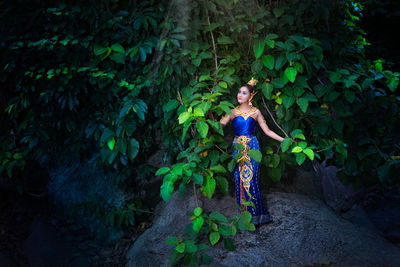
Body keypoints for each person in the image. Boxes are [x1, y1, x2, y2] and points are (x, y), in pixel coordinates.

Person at [219, 77, 285, 225]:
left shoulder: (256, 112)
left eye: (244, 93)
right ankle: (245, 216)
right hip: (238, 147)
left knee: (252, 179)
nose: (240, 95)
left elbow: (267, 131)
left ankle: (258, 215)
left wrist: (285, 140)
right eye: (239, 92)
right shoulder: (232, 111)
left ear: (251, 96)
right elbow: (219, 125)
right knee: (239, 179)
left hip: (253, 147)